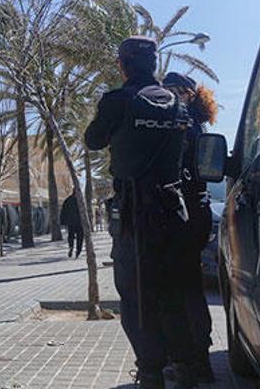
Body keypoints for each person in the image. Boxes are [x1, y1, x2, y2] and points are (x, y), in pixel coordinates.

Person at [84, 36, 198, 389]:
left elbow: (92, 140)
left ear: (123, 65)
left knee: (137, 296)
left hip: (136, 215)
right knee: (175, 292)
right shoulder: (178, 105)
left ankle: (151, 373)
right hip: (175, 212)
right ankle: (185, 368)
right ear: (155, 64)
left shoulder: (118, 101)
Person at [163, 72, 218, 383]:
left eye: (172, 90)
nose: (167, 95)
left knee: (181, 289)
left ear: (186, 93)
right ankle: (199, 358)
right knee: (190, 286)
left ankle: (192, 359)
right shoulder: (197, 125)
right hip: (197, 212)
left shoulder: (185, 127)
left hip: (185, 214)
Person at [60, 191, 83, 258]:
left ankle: (71, 247)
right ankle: (78, 250)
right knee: (80, 237)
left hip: (70, 222)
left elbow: (63, 210)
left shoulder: (68, 200)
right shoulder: (80, 200)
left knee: (71, 236)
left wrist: (63, 221)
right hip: (79, 222)